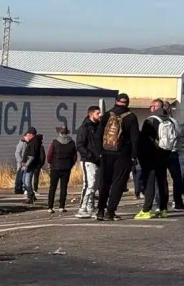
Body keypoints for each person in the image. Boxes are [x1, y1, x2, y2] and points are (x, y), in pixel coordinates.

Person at [96, 93, 140, 221]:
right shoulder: (131, 117)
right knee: (118, 183)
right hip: (123, 154)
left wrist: (100, 151)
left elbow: (98, 135)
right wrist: (134, 155)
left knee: (104, 182)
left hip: (106, 153)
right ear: (128, 103)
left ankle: (100, 211)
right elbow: (135, 138)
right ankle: (110, 212)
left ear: (116, 101)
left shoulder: (107, 115)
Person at [135, 99, 175, 220]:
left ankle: (146, 210)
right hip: (165, 154)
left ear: (155, 107)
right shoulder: (168, 120)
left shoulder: (151, 120)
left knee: (150, 182)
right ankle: (163, 209)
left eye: (151, 106)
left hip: (151, 155)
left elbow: (144, 139)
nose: (150, 108)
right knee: (162, 182)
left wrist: (140, 154)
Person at [74, 106, 102, 218]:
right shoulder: (84, 128)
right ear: (91, 114)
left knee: (95, 185)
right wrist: (90, 155)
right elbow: (80, 145)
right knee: (89, 184)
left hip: (98, 160)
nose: (100, 115)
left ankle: (91, 206)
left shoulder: (99, 127)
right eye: (97, 113)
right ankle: (82, 208)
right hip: (88, 160)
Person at [46, 124, 78, 214]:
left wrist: (50, 163)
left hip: (55, 167)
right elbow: (74, 157)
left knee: (52, 187)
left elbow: (49, 155)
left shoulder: (55, 142)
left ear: (59, 132)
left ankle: (50, 206)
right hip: (66, 167)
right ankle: (61, 206)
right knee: (64, 188)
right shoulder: (71, 142)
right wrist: (70, 164)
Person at [19, 128, 44, 204]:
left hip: (30, 165)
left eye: (27, 134)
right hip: (29, 165)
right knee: (24, 180)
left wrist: (26, 165)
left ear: (31, 135)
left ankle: (30, 197)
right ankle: (32, 195)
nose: (26, 136)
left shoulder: (34, 143)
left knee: (27, 181)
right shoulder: (32, 142)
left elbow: (32, 156)